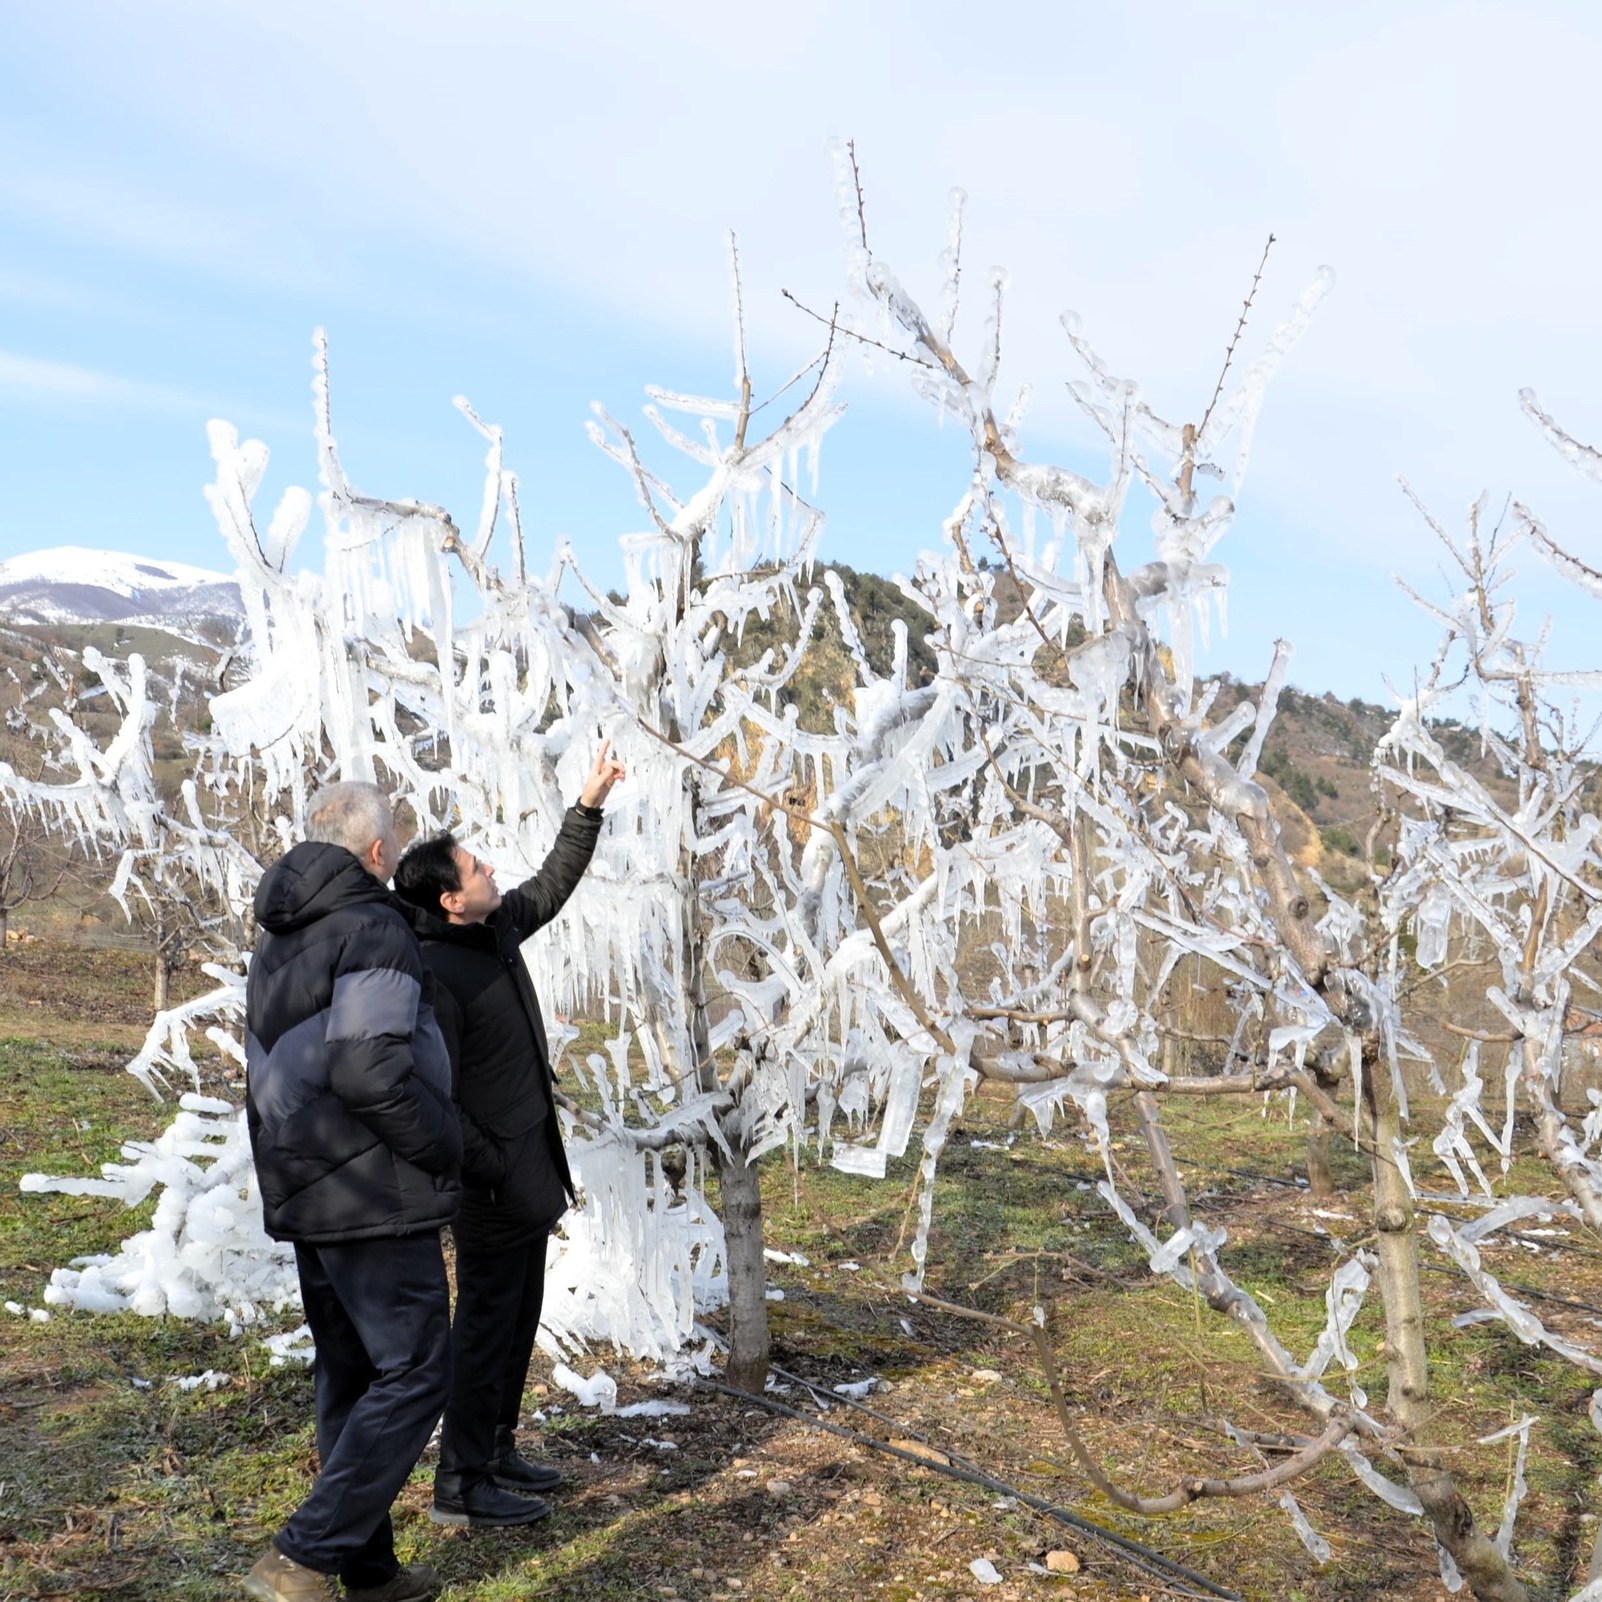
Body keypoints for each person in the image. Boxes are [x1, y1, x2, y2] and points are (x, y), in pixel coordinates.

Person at [394, 741, 624, 1528]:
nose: (491, 870)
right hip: (491, 1185)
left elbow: (551, 885)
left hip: (527, 1172)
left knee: (518, 1318)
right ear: (451, 901)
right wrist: (490, 1167)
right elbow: (437, 1094)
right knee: (485, 1328)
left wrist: (587, 806)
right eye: (476, 868)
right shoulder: (435, 974)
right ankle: (459, 1484)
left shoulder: (489, 934)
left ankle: (496, 1448)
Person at [242, 781, 462, 1602]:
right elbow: (373, 1072)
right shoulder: (375, 926)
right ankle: (304, 1554)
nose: (399, 855)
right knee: (413, 1374)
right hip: (374, 1189)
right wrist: (449, 1146)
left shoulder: (281, 933)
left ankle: (367, 1573)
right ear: (376, 854)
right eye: (396, 844)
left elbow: (272, 1066)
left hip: (308, 1182)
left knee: (351, 1376)